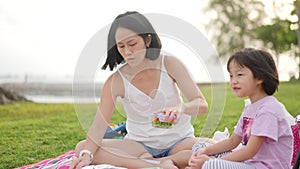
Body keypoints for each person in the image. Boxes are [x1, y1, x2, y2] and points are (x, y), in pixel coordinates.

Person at [70, 11, 209, 169]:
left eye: (132, 44)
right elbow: (99, 124)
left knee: (213, 149)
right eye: (121, 46)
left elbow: (202, 104)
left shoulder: (170, 64)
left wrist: (181, 108)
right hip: (139, 146)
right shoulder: (116, 81)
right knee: (82, 147)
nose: (127, 52)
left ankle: (158, 162)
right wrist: (87, 154)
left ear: (147, 39)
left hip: (180, 141)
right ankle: (160, 163)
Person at [186, 48, 293, 169]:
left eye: (239, 75)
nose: (233, 81)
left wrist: (211, 162)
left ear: (259, 78)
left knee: (212, 165)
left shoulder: (269, 109)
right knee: (199, 147)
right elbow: (232, 142)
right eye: (231, 76)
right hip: (248, 163)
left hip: (264, 167)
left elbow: (249, 151)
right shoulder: (250, 108)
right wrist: (205, 151)